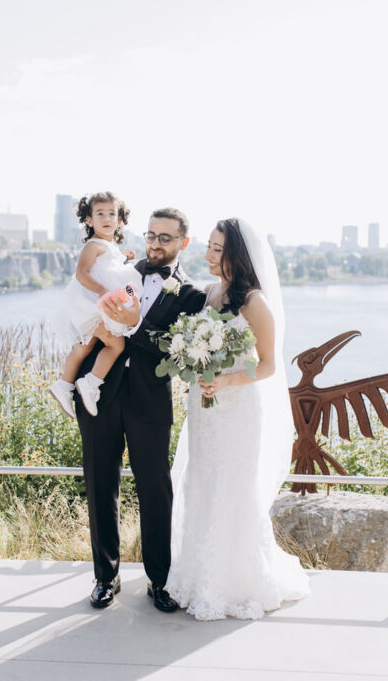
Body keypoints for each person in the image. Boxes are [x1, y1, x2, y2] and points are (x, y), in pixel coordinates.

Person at [165, 218, 310, 621]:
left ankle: (237, 582)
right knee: (202, 481)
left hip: (239, 408)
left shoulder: (255, 303)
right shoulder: (210, 293)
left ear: (236, 255)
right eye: (209, 247)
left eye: (217, 249)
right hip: (204, 406)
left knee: (232, 485)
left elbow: (267, 365)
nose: (208, 255)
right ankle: (198, 575)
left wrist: (226, 379)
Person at [75, 208, 206, 611]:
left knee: (155, 489)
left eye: (165, 237)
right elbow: (84, 309)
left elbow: (176, 353)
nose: (155, 243)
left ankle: (160, 580)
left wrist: (135, 325)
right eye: (151, 235)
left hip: (150, 398)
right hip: (101, 391)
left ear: (183, 243)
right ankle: (105, 577)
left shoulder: (192, 295)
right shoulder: (120, 270)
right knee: (100, 483)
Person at [49, 192, 141, 418]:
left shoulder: (108, 246)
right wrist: (101, 291)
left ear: (120, 220)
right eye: (100, 214)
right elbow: (82, 273)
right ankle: (91, 382)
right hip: (91, 304)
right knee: (116, 345)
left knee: (84, 345)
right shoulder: (93, 245)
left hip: (92, 305)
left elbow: (107, 268)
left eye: (112, 214)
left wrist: (123, 259)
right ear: (89, 220)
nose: (107, 218)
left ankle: (64, 385)